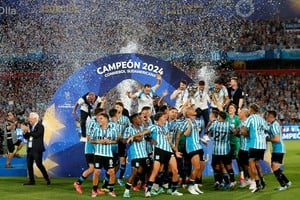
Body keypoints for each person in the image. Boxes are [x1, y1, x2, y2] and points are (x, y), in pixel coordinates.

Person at [140, 112, 183, 197]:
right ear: (159, 118)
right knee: (155, 171)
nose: (165, 118)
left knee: (175, 171)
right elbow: (144, 132)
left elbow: (170, 142)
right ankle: (148, 190)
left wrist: (176, 151)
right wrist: (135, 135)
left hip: (169, 151)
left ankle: (174, 190)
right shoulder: (154, 127)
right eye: (164, 117)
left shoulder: (165, 129)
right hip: (159, 150)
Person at [73, 107, 104, 195]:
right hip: (90, 149)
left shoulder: (100, 122)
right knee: (92, 168)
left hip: (97, 149)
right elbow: (89, 138)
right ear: (98, 115)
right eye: (102, 115)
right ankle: (78, 183)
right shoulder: (92, 123)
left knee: (97, 169)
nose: (104, 116)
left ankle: (96, 188)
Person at [89, 112, 118, 197]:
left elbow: (116, 140)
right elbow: (90, 140)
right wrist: (98, 141)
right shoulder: (96, 129)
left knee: (112, 172)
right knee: (97, 171)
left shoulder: (112, 130)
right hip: (98, 154)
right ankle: (94, 190)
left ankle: (111, 190)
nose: (99, 120)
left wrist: (110, 142)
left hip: (109, 155)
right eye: (98, 119)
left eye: (101, 118)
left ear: (106, 119)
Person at [241, 103, 268, 193]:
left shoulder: (250, 118)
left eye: (249, 109)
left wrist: (243, 133)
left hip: (254, 144)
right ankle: (262, 180)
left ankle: (257, 184)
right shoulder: (261, 119)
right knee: (256, 163)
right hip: (262, 145)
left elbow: (245, 131)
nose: (248, 110)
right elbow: (266, 129)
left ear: (251, 110)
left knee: (251, 163)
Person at [208, 111, 236, 191]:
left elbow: (209, 131)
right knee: (228, 166)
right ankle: (232, 181)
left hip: (216, 149)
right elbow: (234, 132)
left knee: (216, 166)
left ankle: (217, 181)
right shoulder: (228, 125)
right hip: (225, 149)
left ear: (219, 117)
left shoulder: (215, 124)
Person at [123, 113, 149, 198]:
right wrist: (134, 138)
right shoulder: (129, 129)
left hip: (144, 154)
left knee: (145, 172)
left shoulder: (142, 128)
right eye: (139, 118)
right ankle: (126, 191)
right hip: (136, 155)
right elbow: (124, 140)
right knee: (134, 173)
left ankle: (147, 190)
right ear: (134, 120)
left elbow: (143, 137)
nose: (141, 119)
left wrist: (134, 138)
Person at [180, 106, 205, 195]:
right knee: (197, 167)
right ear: (187, 113)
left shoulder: (195, 121)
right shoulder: (186, 121)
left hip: (198, 145)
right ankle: (191, 185)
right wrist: (189, 125)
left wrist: (202, 140)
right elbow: (185, 134)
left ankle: (195, 185)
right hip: (191, 146)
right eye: (191, 109)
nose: (194, 110)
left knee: (202, 166)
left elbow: (196, 134)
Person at [21, 112, 50, 185]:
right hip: (30, 149)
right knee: (29, 165)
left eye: (30, 118)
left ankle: (47, 178)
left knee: (39, 164)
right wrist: (24, 131)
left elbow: (36, 135)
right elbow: (26, 137)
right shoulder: (30, 127)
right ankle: (31, 181)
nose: (29, 119)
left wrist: (28, 131)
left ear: (35, 118)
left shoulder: (40, 126)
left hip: (37, 149)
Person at [265, 110, 292, 191]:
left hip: (279, 149)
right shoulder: (272, 124)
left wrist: (268, 139)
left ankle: (283, 185)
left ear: (271, 117)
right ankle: (287, 182)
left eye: (267, 116)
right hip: (277, 149)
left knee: (274, 167)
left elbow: (276, 139)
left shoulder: (275, 125)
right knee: (275, 167)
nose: (266, 117)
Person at [237, 108, 252, 188]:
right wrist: (236, 132)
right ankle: (247, 179)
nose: (238, 114)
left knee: (249, 165)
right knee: (243, 165)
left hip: (248, 148)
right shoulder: (240, 123)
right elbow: (239, 134)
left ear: (245, 114)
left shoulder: (248, 123)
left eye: (240, 112)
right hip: (242, 147)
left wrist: (243, 132)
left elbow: (250, 134)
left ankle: (254, 181)